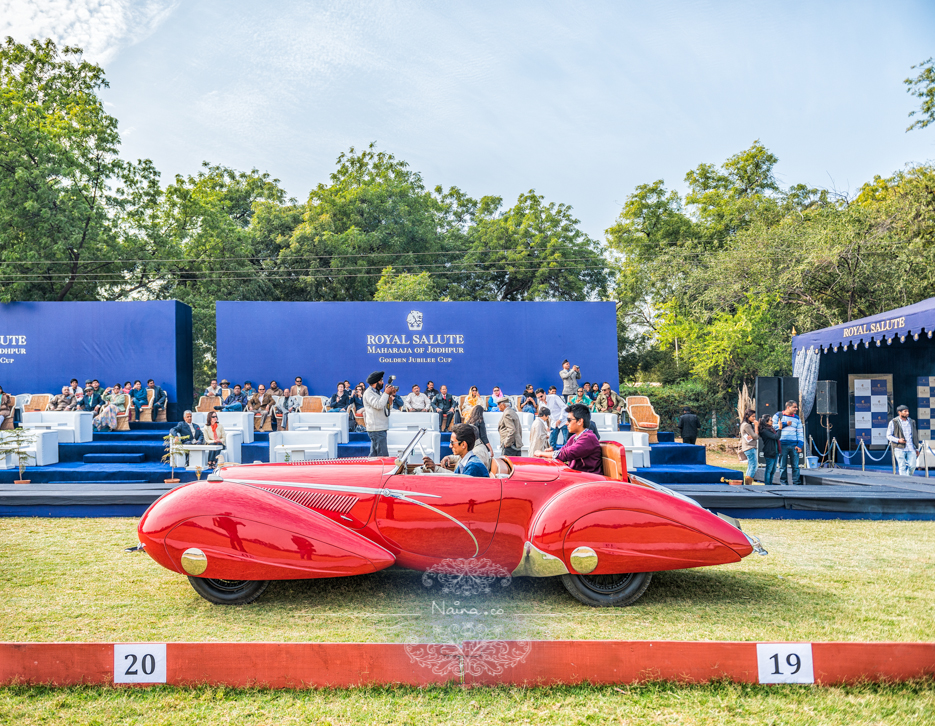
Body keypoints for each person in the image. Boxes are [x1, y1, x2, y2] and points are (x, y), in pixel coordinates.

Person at [535, 403, 602, 474]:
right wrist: (551, 451)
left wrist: (541, 453)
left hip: (589, 479)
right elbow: (563, 450)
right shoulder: (575, 437)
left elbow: (565, 454)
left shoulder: (588, 438)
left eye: (569, 420)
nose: (566, 423)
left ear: (580, 421)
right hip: (579, 475)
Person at [420, 423, 490, 477]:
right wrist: (434, 468)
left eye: (452, 443)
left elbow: (459, 486)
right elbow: (455, 477)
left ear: (463, 445)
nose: (450, 446)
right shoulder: (465, 461)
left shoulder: (473, 467)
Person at [363, 371, 397, 457]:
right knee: (383, 455)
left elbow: (388, 408)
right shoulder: (368, 393)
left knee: (374, 455)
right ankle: (384, 470)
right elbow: (378, 405)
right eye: (381, 381)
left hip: (380, 428)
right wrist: (386, 393)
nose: (383, 383)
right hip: (376, 429)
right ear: (375, 382)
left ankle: (370, 469)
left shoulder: (378, 393)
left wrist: (390, 395)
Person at [772, 400, 804, 486]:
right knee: (782, 466)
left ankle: (796, 483)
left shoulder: (797, 418)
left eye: (796, 407)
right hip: (782, 444)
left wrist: (800, 445)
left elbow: (800, 432)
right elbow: (772, 427)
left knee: (796, 467)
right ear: (788, 407)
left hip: (794, 445)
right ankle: (783, 484)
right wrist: (785, 424)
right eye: (794, 407)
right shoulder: (778, 415)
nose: (796, 409)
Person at [887, 405, 919, 477]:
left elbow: (915, 435)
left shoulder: (912, 421)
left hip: (911, 447)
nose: (907, 413)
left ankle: (907, 477)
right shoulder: (893, 422)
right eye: (905, 411)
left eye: (908, 411)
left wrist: (917, 448)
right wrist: (898, 440)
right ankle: (904, 481)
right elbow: (888, 435)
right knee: (902, 466)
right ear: (899, 412)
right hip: (899, 448)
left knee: (912, 466)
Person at [758, 415, 781, 485]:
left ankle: (770, 483)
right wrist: (780, 428)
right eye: (771, 420)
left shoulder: (771, 429)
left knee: (773, 469)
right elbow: (776, 436)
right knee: (769, 469)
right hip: (769, 451)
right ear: (766, 422)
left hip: (775, 451)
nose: (772, 421)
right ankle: (767, 484)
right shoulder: (765, 431)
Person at [740, 408, 759, 485]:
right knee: (753, 465)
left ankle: (748, 482)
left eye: (755, 416)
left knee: (751, 465)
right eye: (752, 416)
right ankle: (748, 483)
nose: (754, 418)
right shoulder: (746, 425)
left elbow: (754, 436)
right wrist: (756, 426)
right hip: (749, 447)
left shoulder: (745, 424)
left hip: (748, 447)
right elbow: (755, 436)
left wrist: (754, 435)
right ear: (747, 416)